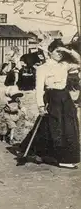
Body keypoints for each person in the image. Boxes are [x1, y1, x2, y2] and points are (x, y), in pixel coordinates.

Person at [19, 40, 81, 169]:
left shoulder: (65, 65)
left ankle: (67, 157)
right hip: (52, 97)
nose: (60, 54)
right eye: (57, 51)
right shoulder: (42, 68)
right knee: (56, 126)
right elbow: (39, 88)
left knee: (70, 126)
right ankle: (59, 158)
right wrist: (40, 106)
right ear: (50, 52)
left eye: (61, 52)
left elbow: (79, 62)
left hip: (65, 97)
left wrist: (68, 51)